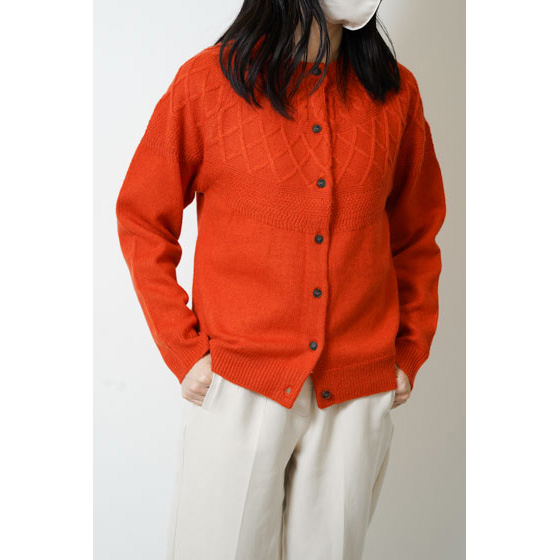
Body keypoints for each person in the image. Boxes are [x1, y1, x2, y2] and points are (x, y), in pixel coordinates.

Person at [115, 0, 446, 558]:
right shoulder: (208, 82)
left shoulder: (396, 93)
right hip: (238, 384)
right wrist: (183, 350)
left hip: (357, 390)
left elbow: (416, 234)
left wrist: (409, 349)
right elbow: (142, 219)